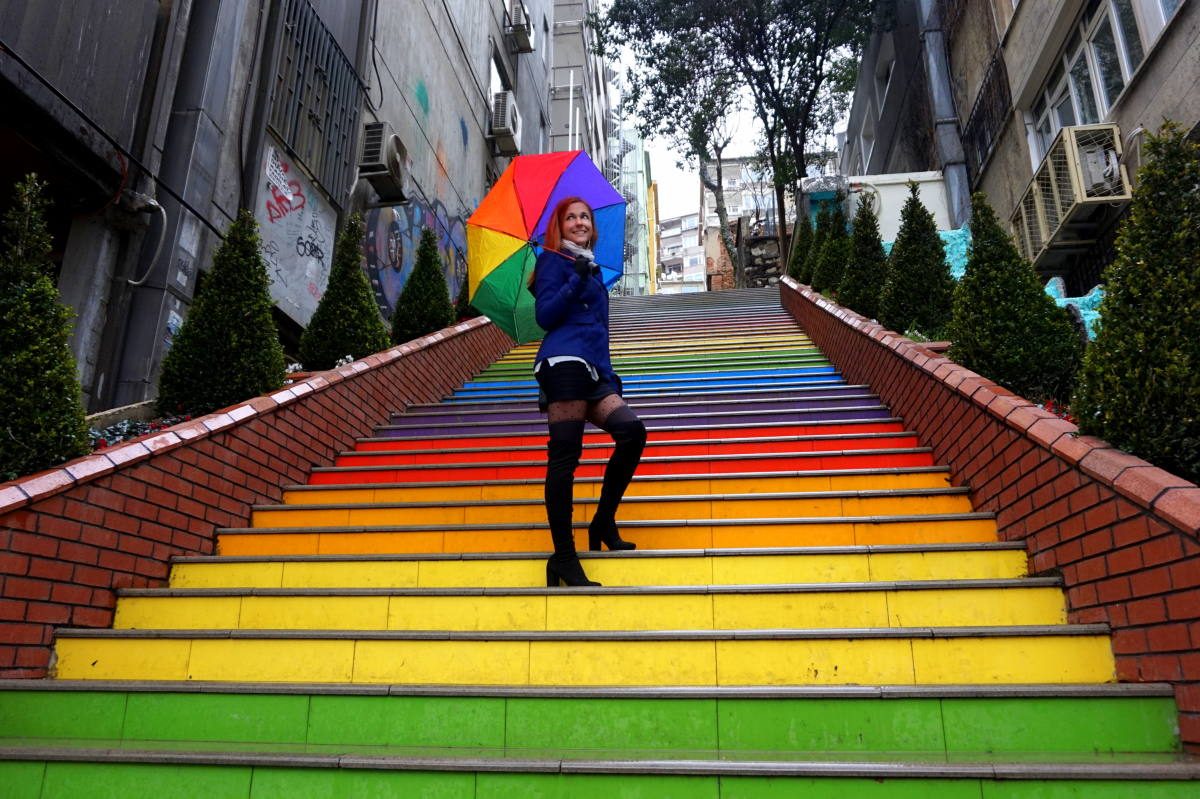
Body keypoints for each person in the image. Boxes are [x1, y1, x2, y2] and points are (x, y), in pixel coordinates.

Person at [531, 196, 647, 587]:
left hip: (593, 368)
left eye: (585, 216)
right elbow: (545, 316)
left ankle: (602, 521)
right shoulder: (552, 261)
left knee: (632, 433)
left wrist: (610, 379)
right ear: (559, 227)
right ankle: (564, 557)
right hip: (562, 363)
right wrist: (575, 277)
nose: (579, 222)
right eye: (571, 217)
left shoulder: (594, 270)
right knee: (566, 458)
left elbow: (601, 331)